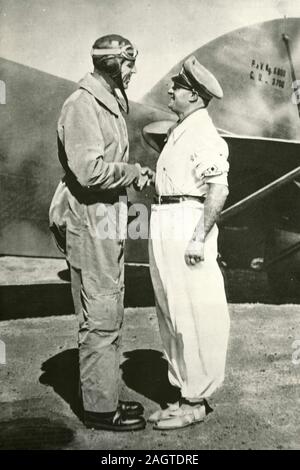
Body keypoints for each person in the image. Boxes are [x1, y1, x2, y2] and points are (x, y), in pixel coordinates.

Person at [49, 34, 154, 431]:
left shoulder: (105, 101)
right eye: (128, 64)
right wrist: (129, 172)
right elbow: (90, 171)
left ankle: (104, 395)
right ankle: (97, 409)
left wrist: (130, 174)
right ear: (112, 64)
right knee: (100, 313)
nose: (132, 71)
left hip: (105, 221)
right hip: (90, 223)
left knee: (109, 308)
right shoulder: (82, 105)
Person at [148, 55, 230, 430]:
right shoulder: (182, 130)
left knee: (193, 314)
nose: (170, 89)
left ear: (194, 96)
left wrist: (199, 237)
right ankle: (183, 392)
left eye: (177, 86)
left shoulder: (203, 134)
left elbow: (218, 189)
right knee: (170, 311)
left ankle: (195, 401)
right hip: (166, 218)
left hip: (186, 225)